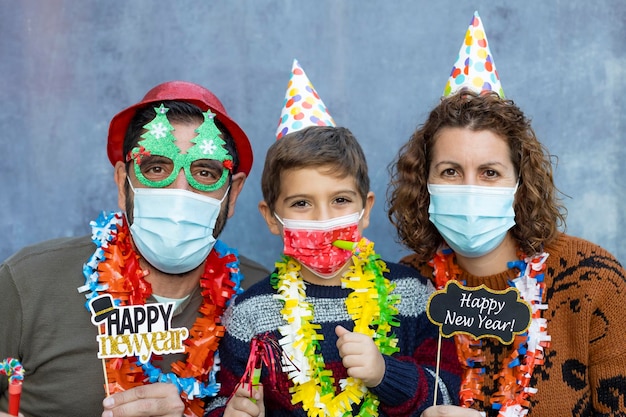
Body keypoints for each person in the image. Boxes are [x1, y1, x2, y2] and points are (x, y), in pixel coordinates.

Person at [387, 13, 626, 416]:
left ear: (520, 185)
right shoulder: (405, 289)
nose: (469, 188)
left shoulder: (593, 282)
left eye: (490, 173)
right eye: (450, 171)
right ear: (423, 184)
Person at [204, 60, 461, 417]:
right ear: (272, 218)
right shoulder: (250, 315)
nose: (324, 220)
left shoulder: (412, 295)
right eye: (301, 204)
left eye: (340, 200)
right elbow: (219, 401)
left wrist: (384, 373)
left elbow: (449, 393)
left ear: (365, 209)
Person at [0, 80, 268, 417]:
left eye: (204, 172)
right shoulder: (29, 284)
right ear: (123, 184)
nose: (179, 193)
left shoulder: (265, 303)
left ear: (234, 193)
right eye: (156, 169)